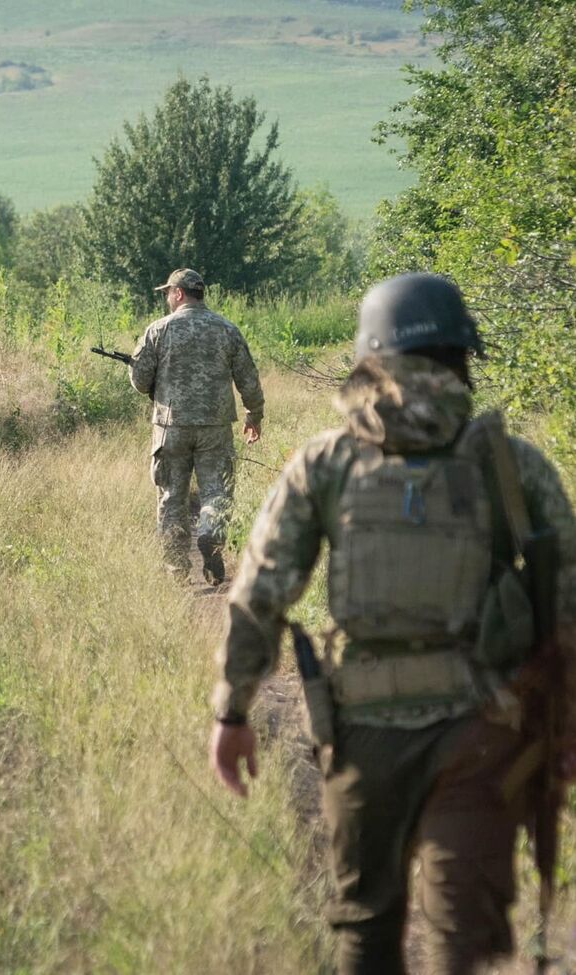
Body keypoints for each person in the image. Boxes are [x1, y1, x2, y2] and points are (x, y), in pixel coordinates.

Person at [209, 273, 576, 974]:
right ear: (461, 357)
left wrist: (232, 711)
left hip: (361, 737)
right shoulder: (511, 463)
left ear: (369, 358)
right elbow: (568, 605)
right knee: (461, 939)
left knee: (365, 924)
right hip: (483, 733)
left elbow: (259, 593)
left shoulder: (327, 461)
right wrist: (566, 729)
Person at [129, 268, 264, 584]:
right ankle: (211, 537)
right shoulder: (227, 329)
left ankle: (177, 570)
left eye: (168, 293)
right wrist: (254, 415)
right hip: (215, 427)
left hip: (171, 427)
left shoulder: (159, 329)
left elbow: (140, 381)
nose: (167, 298)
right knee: (216, 490)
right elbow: (248, 378)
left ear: (178, 293)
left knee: (171, 498)